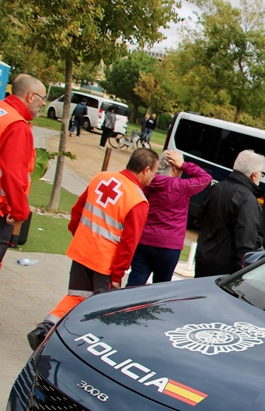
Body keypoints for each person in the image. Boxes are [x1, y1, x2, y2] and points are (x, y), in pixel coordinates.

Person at [27, 149, 158, 350]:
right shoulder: (138, 200)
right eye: (154, 172)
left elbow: (76, 213)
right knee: (101, 309)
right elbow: (129, 243)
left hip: (82, 250)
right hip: (105, 262)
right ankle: (86, 348)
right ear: (146, 169)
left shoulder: (101, 178)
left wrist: (82, 238)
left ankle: (45, 328)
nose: (153, 177)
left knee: (76, 297)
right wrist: (118, 274)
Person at [126, 150, 212, 286]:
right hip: (168, 244)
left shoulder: (148, 183)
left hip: (144, 239)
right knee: (161, 287)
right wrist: (184, 165)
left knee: (136, 279)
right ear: (174, 167)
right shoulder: (182, 186)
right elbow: (205, 178)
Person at [195, 150, 265, 278]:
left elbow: (199, 220)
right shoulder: (247, 200)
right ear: (254, 175)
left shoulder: (216, 188)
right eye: (262, 173)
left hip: (203, 258)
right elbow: (247, 242)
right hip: (227, 269)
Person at [0, 74, 46, 269]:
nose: (43, 104)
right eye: (42, 98)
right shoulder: (17, 127)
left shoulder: (3, 112)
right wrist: (19, 210)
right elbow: (12, 172)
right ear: (30, 96)